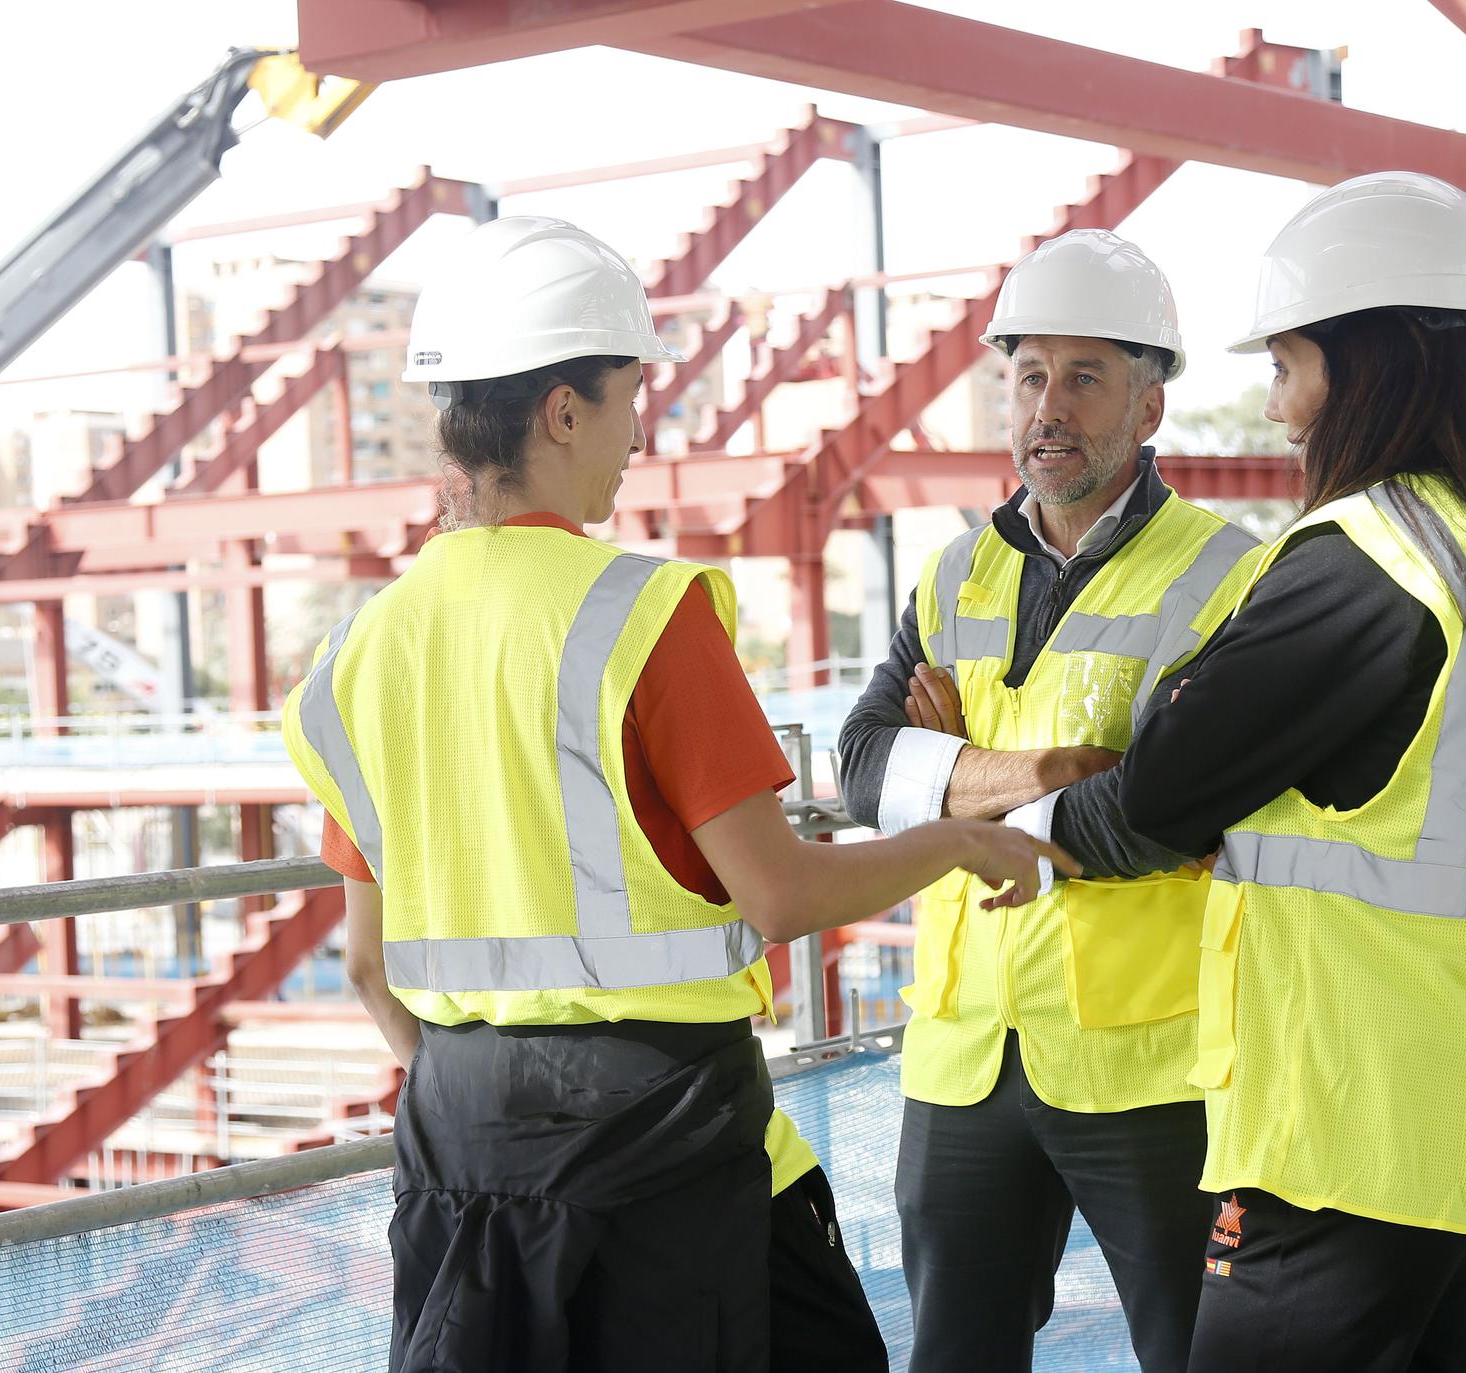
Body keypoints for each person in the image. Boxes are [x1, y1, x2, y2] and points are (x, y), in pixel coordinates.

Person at [282, 214, 1073, 1373]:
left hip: (455, 1141)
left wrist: (492, 1112)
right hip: (658, 1144)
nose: (637, 432)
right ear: (560, 409)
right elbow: (780, 892)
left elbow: (365, 961)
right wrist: (957, 841)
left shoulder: (354, 653)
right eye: (625, 398)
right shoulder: (641, 615)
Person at [1054, 171, 1466, 1372]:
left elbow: (1151, 799)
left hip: (1347, 1131)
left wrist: (994, 793)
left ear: (1365, 365)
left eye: (1287, 366)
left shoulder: (1363, 563)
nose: (1279, 410)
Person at [837, 228, 1263, 1372]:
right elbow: (859, 769)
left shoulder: (1224, 576)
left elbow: (1158, 812)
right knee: (952, 1355)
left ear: (1149, 403)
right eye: (1028, 375)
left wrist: (950, 781)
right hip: (962, 1053)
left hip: (1147, 1060)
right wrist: (1032, 774)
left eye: (1084, 376)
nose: (1048, 408)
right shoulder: (949, 573)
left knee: (1193, 1352)